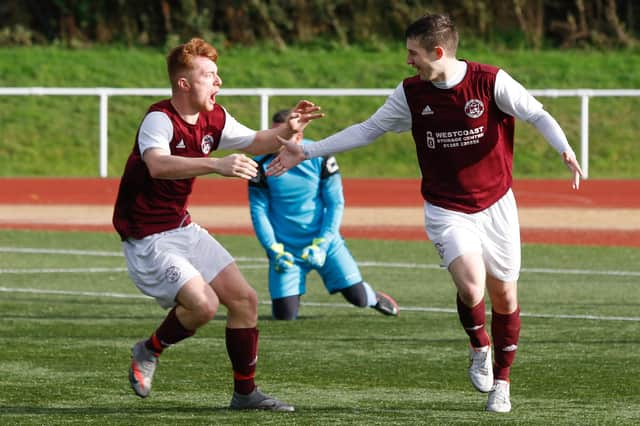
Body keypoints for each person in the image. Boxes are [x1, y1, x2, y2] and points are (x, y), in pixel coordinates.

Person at [267, 14, 583, 413]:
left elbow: (536, 113)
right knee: (471, 287)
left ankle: (502, 382)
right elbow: (368, 129)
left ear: (438, 51)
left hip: (497, 205)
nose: (408, 61)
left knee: (504, 294)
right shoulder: (411, 93)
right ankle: (479, 346)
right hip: (446, 207)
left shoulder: (489, 81)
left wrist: (564, 148)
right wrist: (307, 149)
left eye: (413, 54)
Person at [112, 37, 323, 412]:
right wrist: (216, 164)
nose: (218, 81)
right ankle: (149, 349)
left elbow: (258, 141)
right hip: (148, 239)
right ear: (184, 84)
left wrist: (288, 130)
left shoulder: (215, 117)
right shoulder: (159, 119)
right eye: (209, 75)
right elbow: (158, 164)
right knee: (204, 306)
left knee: (245, 300)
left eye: (216, 74)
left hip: (182, 227)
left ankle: (245, 394)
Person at [248, 109, 399, 320]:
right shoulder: (260, 165)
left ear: (299, 137)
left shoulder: (319, 156)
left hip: (324, 243)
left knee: (358, 298)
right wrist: (273, 248)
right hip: (286, 249)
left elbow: (335, 203)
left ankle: (373, 298)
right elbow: (258, 211)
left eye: (284, 136)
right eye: (274, 135)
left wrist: (323, 243)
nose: (277, 141)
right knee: (284, 315)